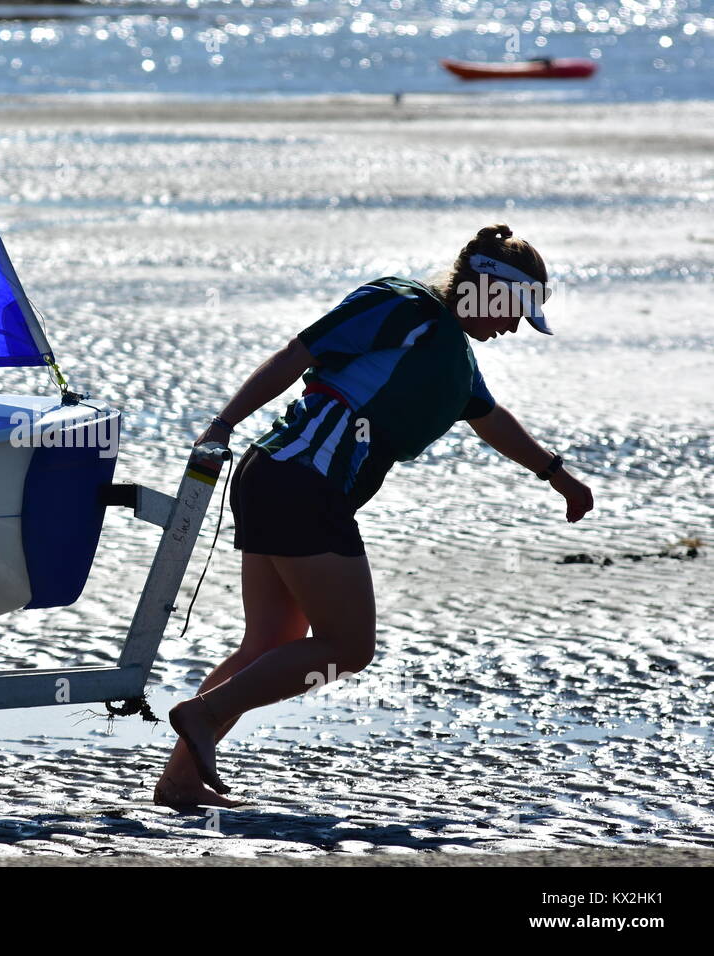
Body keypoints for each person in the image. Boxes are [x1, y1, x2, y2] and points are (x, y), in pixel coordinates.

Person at [155, 223, 594, 808]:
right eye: (513, 310)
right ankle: (204, 714)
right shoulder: (400, 304)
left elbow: (488, 417)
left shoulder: (455, 356)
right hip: (300, 482)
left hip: (279, 480)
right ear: (485, 288)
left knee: (270, 642)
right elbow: (297, 353)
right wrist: (222, 424)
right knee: (348, 647)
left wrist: (556, 474)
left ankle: (182, 783)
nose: (512, 326)